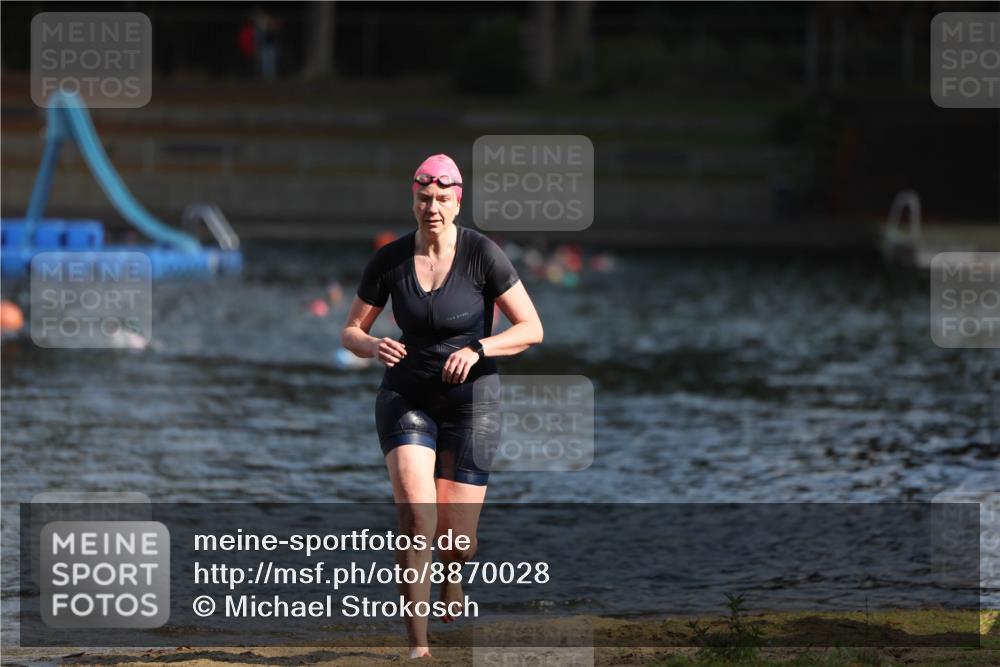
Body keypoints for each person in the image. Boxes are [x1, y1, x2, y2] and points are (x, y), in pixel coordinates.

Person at [341, 154, 543, 659]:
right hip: (405, 397)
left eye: (441, 199)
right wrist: (372, 345)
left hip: (471, 403)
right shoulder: (390, 260)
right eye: (423, 198)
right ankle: (418, 648)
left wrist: (478, 348)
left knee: (456, 541)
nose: (431, 207)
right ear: (413, 200)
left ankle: (453, 574)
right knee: (416, 519)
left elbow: (531, 329)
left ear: (457, 202)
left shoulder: (483, 254)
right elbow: (351, 331)